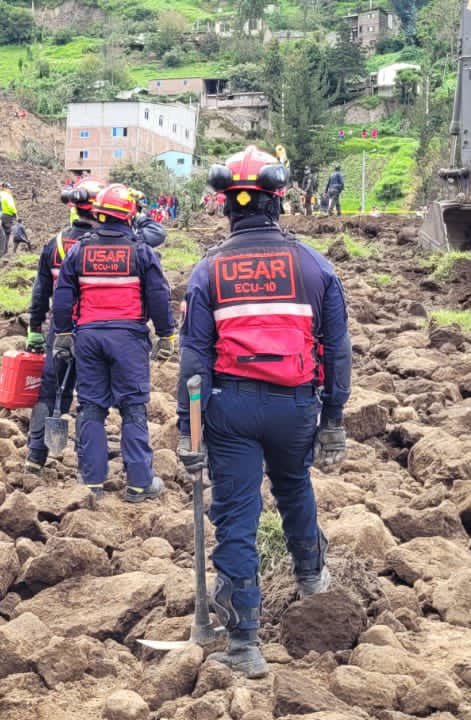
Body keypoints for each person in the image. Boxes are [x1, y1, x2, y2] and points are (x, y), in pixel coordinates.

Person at [176, 145, 351, 678]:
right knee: (294, 485)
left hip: (229, 409)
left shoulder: (209, 270)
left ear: (227, 205)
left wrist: (190, 429)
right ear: (279, 202)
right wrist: (334, 418)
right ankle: (311, 581)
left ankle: (244, 644)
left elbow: (193, 359)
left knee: (236, 518)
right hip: (295, 406)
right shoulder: (313, 265)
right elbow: (336, 348)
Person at [50, 183, 174, 501]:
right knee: (133, 408)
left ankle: (92, 483)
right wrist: (166, 334)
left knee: (91, 406)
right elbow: (158, 295)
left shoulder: (79, 251)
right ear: (130, 215)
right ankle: (139, 483)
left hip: (88, 338)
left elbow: (63, 295)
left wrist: (63, 333)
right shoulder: (141, 251)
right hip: (128, 338)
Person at [24, 178, 104, 472]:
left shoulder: (55, 244)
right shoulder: (102, 246)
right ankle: (88, 465)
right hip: (93, 330)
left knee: (49, 391)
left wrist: (34, 329)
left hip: (59, 329)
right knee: (90, 398)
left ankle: (35, 456)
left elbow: (40, 291)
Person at [0, 182, 21, 253]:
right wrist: (16, 214)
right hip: (7, 215)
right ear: (5, 188)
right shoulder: (7, 195)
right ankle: (4, 250)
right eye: (9, 188)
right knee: (7, 233)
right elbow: (11, 206)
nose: (10, 190)